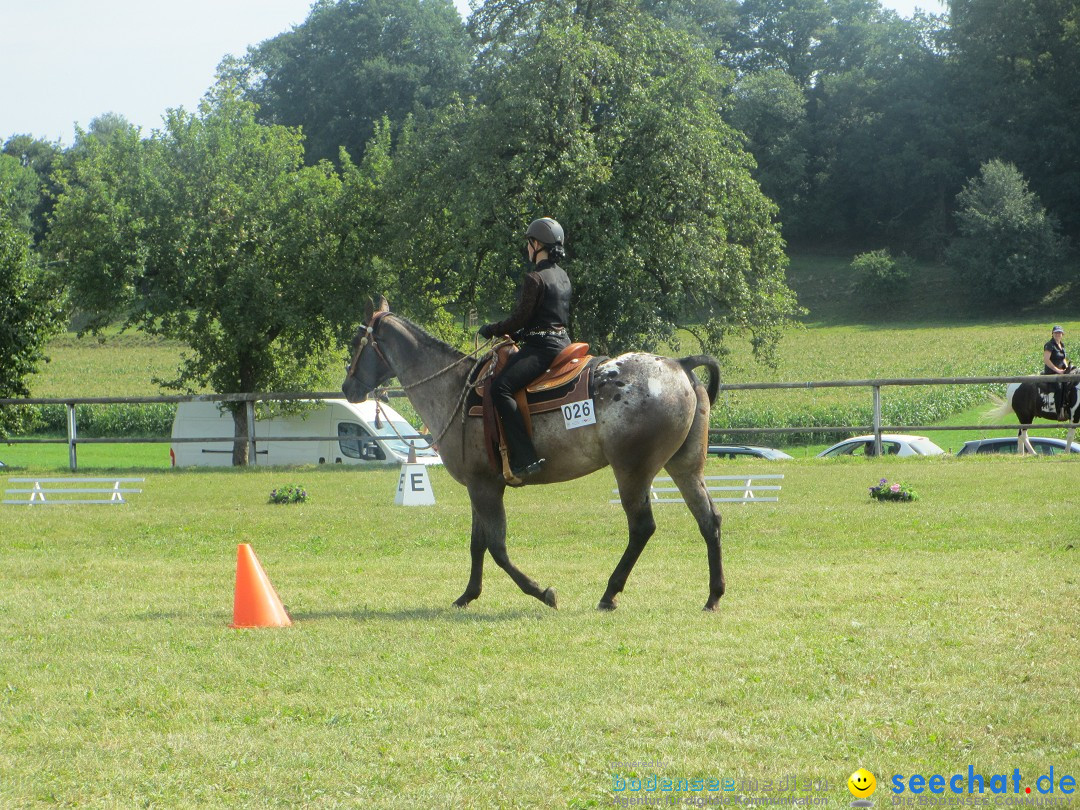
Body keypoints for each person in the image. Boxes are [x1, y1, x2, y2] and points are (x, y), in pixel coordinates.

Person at [478, 217, 572, 478]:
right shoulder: (563, 276)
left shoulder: (535, 278)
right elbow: (546, 317)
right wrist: (520, 333)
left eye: (529, 243)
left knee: (500, 388)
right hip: (563, 343)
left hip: (543, 349)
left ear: (537, 244)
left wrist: (492, 329)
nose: (528, 249)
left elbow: (520, 317)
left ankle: (526, 458)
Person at [1042, 325, 1068, 418]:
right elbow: (1046, 360)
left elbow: (1063, 358)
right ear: (1052, 334)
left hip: (1061, 371)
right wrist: (1058, 370)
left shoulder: (1062, 344)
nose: (1058, 334)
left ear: (1062, 334)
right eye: (1056, 332)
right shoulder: (1049, 345)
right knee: (1059, 387)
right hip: (1051, 372)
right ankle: (1059, 411)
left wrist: (1067, 368)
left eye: (1059, 332)